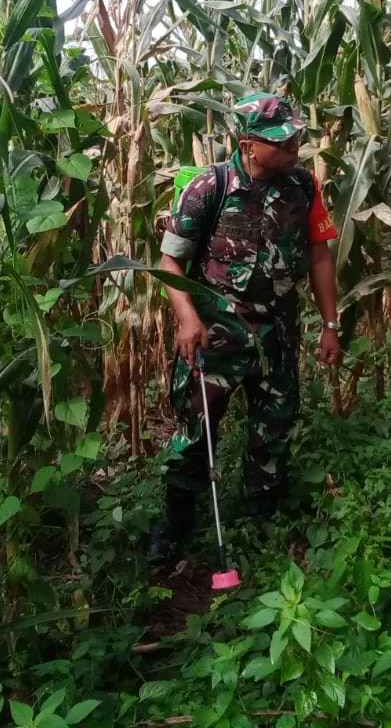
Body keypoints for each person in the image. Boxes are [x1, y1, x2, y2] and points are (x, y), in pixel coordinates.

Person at [148, 92, 342, 563]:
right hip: (216, 337)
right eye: (282, 141)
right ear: (248, 144)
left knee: (273, 430)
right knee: (197, 432)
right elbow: (170, 260)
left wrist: (331, 324)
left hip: (276, 335)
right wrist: (188, 318)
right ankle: (175, 526)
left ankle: (263, 520)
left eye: (297, 137)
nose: (295, 146)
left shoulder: (304, 187)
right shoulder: (209, 187)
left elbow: (318, 255)